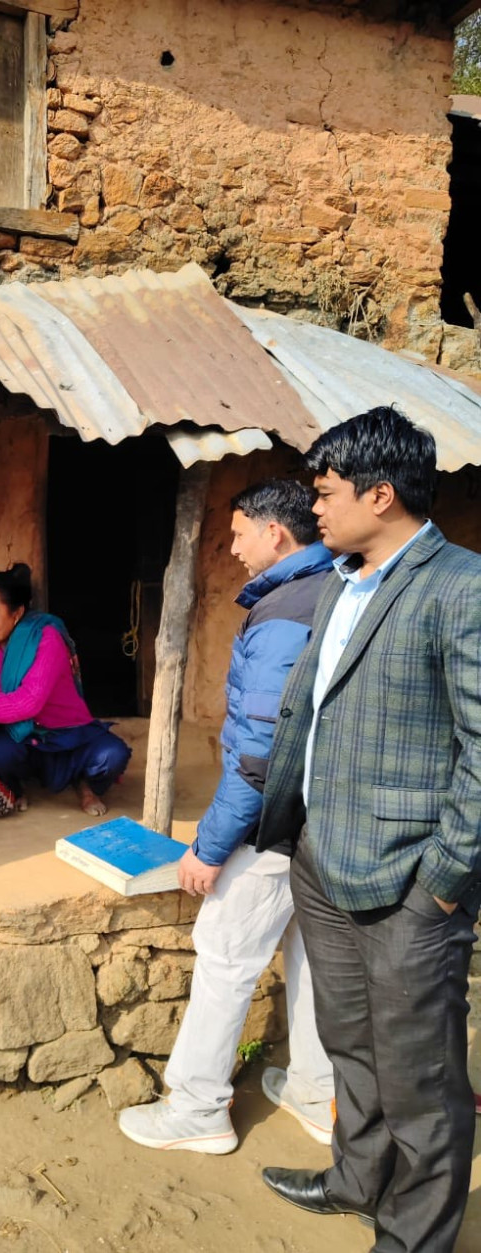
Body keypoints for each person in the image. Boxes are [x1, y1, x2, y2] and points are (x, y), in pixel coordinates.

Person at [256, 409, 481, 1253]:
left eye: (325, 492)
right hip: (323, 856)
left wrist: (444, 882)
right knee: (350, 1041)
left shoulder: (461, 586)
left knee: (421, 1073)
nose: (314, 508)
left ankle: (415, 1236)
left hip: (410, 879)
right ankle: (357, 1178)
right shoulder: (343, 582)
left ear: (380, 494)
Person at [119, 480, 335, 1155]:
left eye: (240, 533)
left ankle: (198, 1107)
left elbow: (260, 755)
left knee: (225, 956)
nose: (233, 547)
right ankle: (317, 1092)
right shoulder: (336, 588)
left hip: (279, 825)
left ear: (275, 532)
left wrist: (210, 846)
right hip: (326, 823)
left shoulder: (285, 616)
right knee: (311, 956)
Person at [0, 562, 131, 828]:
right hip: (19, 736)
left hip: (65, 734)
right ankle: (15, 786)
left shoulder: (47, 638)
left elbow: (28, 701)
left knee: (112, 755)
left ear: (17, 613)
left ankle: (86, 785)